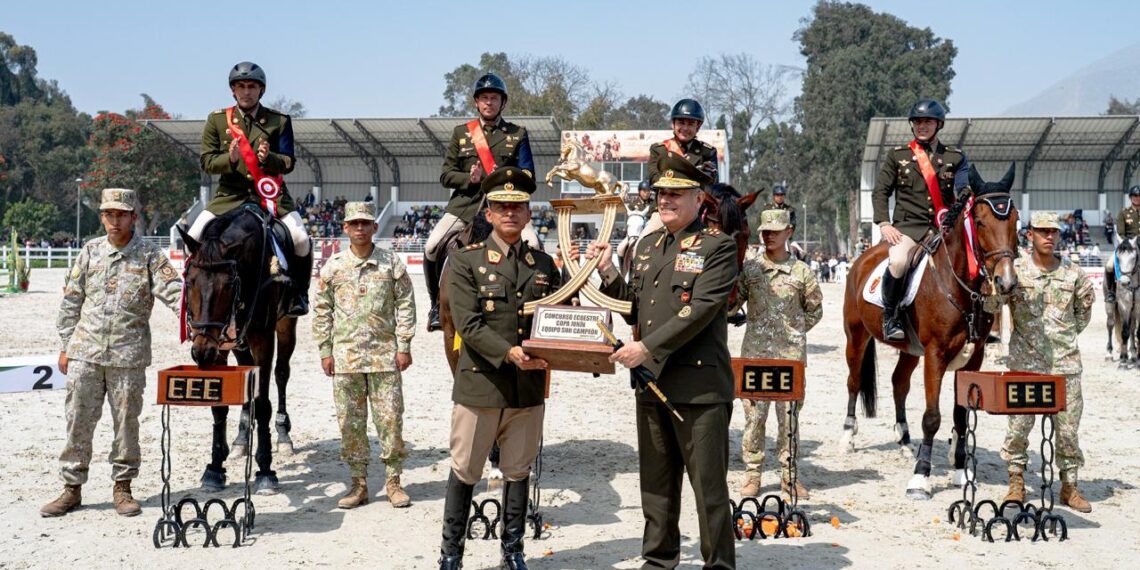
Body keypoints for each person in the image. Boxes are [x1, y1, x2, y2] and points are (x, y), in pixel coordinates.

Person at [584, 153, 738, 568]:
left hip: (699, 390)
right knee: (655, 488)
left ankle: (719, 565)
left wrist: (646, 348)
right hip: (651, 384)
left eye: (675, 193)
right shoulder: (649, 246)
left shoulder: (717, 246)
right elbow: (635, 308)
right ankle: (658, 562)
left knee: (709, 492)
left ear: (697, 198)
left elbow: (701, 309)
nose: (665, 200)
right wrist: (608, 271)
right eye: (661, 193)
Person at [438, 167, 560, 570]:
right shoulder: (465, 261)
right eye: (502, 206)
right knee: (465, 471)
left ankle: (513, 550)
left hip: (527, 390)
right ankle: (451, 554)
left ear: (528, 214)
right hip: (481, 388)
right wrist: (508, 353)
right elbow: (468, 324)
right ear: (488, 213)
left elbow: (559, 317)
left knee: (517, 472)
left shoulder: (544, 264)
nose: (510, 212)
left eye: (518, 206)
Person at [42, 189, 182, 518]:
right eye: (109, 214)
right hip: (85, 354)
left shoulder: (149, 255)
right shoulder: (89, 252)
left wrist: (202, 326)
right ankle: (71, 488)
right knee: (77, 421)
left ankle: (123, 487)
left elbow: (176, 294)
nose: (114, 220)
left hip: (127, 358)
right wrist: (66, 345)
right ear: (102, 217)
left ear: (134, 216)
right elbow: (71, 301)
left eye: (121, 214)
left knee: (126, 425)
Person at [984, 212, 1095, 513]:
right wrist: (991, 288)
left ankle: (1069, 487)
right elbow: (993, 307)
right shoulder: (1014, 273)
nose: (1049, 236)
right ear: (1029, 235)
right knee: (1018, 427)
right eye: (1042, 231)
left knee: (1069, 431)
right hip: (1025, 365)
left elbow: (1083, 314)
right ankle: (1016, 483)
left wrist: (1063, 339)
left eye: (1054, 232)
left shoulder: (1074, 275)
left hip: (1066, 367)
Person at [313, 201, 415, 510]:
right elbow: (322, 311)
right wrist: (325, 350)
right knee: (350, 423)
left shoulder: (391, 264)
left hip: (385, 357)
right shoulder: (333, 268)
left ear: (374, 227)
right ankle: (358, 483)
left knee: (390, 420)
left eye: (365, 223)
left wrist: (404, 345)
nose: (360, 228)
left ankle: (394, 481)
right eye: (354, 223)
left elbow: (406, 304)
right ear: (345, 228)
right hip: (346, 359)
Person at [190, 61, 312, 317]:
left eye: (252, 86)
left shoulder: (279, 121)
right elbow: (206, 161)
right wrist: (230, 159)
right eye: (241, 86)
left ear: (261, 90)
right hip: (229, 197)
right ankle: (193, 293)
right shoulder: (216, 120)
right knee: (194, 234)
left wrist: (269, 159)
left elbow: (288, 162)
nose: (247, 91)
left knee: (301, 240)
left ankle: (299, 295)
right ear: (233, 90)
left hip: (270, 196)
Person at [425, 72, 540, 333]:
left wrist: (505, 177)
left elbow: (530, 176)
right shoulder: (461, 134)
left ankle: (540, 305)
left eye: (494, 98)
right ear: (477, 102)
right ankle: (434, 306)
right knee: (432, 247)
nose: (489, 103)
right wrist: (470, 178)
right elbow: (445, 175)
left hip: (505, 206)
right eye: (484, 98)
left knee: (533, 243)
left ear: (503, 102)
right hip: (465, 206)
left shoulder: (517, 134)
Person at [738, 209, 822, 500]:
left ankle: (790, 478)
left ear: (789, 233)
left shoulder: (802, 273)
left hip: (789, 359)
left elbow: (815, 310)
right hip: (755, 357)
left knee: (789, 421)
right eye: (765, 230)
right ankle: (752, 476)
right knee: (754, 420)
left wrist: (793, 332)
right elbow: (732, 303)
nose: (768, 235)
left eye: (775, 230)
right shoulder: (750, 270)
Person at [872, 98, 970, 340]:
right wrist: (884, 224)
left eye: (928, 122)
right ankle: (891, 316)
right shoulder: (898, 156)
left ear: (939, 124)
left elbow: (964, 190)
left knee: (972, 262)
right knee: (898, 263)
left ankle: (976, 318)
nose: (922, 126)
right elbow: (881, 191)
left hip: (943, 229)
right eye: (917, 122)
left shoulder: (955, 157)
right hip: (907, 229)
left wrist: (957, 211)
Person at [647, 98, 719, 187]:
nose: (685, 128)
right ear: (673, 124)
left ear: (698, 127)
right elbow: (654, 180)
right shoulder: (659, 150)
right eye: (681, 123)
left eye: (691, 124)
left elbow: (712, 186)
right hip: (666, 199)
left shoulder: (708, 152)